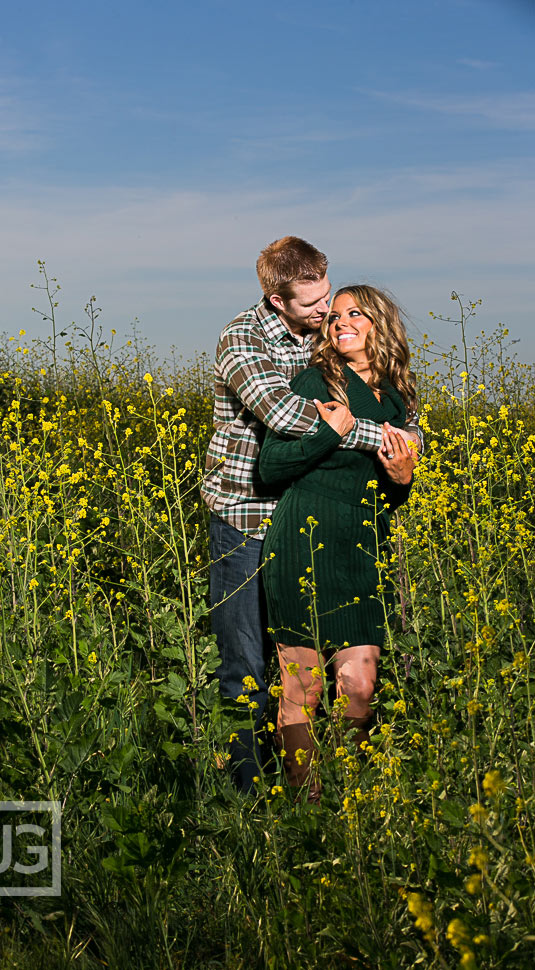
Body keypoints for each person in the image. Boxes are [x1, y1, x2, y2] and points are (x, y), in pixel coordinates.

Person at [202, 237, 423, 793]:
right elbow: (288, 415)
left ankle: (329, 794)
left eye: (331, 296)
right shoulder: (243, 338)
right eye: (313, 303)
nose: (327, 311)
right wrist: (387, 440)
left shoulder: (322, 337)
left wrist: (404, 451)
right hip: (247, 515)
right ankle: (251, 796)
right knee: (250, 667)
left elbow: (370, 395)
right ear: (279, 302)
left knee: (338, 674)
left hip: (319, 520)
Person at [259, 285, 417, 798]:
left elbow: (383, 495)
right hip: (304, 535)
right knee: (304, 686)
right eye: (336, 315)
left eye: (356, 314)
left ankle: (348, 804)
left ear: (380, 324)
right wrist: (329, 434)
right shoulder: (316, 380)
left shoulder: (396, 399)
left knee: (360, 688)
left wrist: (402, 479)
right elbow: (270, 467)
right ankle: (308, 806)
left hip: (362, 546)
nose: (340, 322)